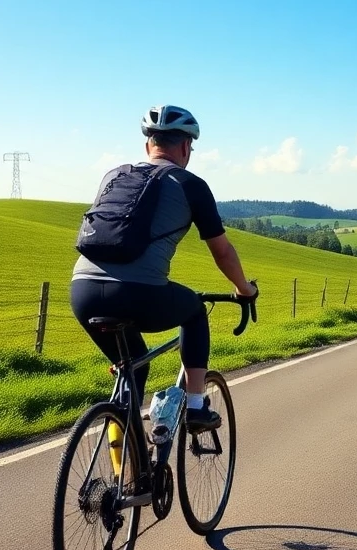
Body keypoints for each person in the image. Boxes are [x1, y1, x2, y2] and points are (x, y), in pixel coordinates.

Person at [70, 104, 257, 429]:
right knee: (196, 311)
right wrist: (245, 289)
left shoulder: (114, 176)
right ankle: (196, 407)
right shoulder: (190, 184)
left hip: (82, 292)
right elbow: (223, 252)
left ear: (148, 145)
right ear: (186, 146)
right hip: (137, 294)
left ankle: (126, 473)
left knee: (133, 369)